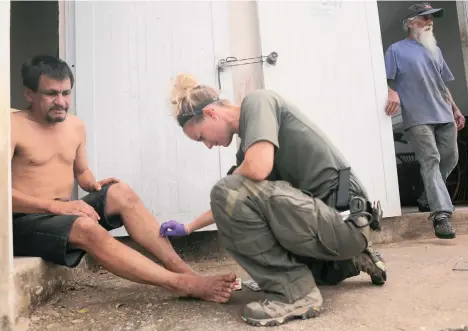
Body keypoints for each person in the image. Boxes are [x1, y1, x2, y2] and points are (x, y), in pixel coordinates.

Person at [160, 73, 387, 326]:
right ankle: (348, 261)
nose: (208, 146)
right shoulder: (249, 146)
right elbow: (231, 198)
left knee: (227, 191)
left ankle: (295, 294)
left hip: (342, 221)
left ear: (212, 113)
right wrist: (189, 227)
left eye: (201, 137)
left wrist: (232, 183)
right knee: (228, 195)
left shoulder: (257, 103)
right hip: (338, 223)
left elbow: (254, 171)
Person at [10, 55, 236, 303]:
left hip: (61, 215)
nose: (61, 102)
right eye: (51, 93)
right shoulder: (12, 126)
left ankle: (186, 272)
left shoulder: (75, 126)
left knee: (121, 192)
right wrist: (56, 206)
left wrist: (94, 185)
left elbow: (82, 172)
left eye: (66, 93)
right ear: (30, 94)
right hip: (22, 221)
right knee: (86, 227)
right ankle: (180, 284)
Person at [384, 2, 465, 239]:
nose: (430, 22)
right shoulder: (396, 50)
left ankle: (425, 198)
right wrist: (391, 91)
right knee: (430, 159)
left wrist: (456, 109)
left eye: (431, 19)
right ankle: (441, 214)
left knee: (450, 157)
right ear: (410, 23)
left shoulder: (435, 50)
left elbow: (442, 85)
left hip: (443, 113)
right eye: (424, 18)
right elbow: (385, 79)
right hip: (418, 116)